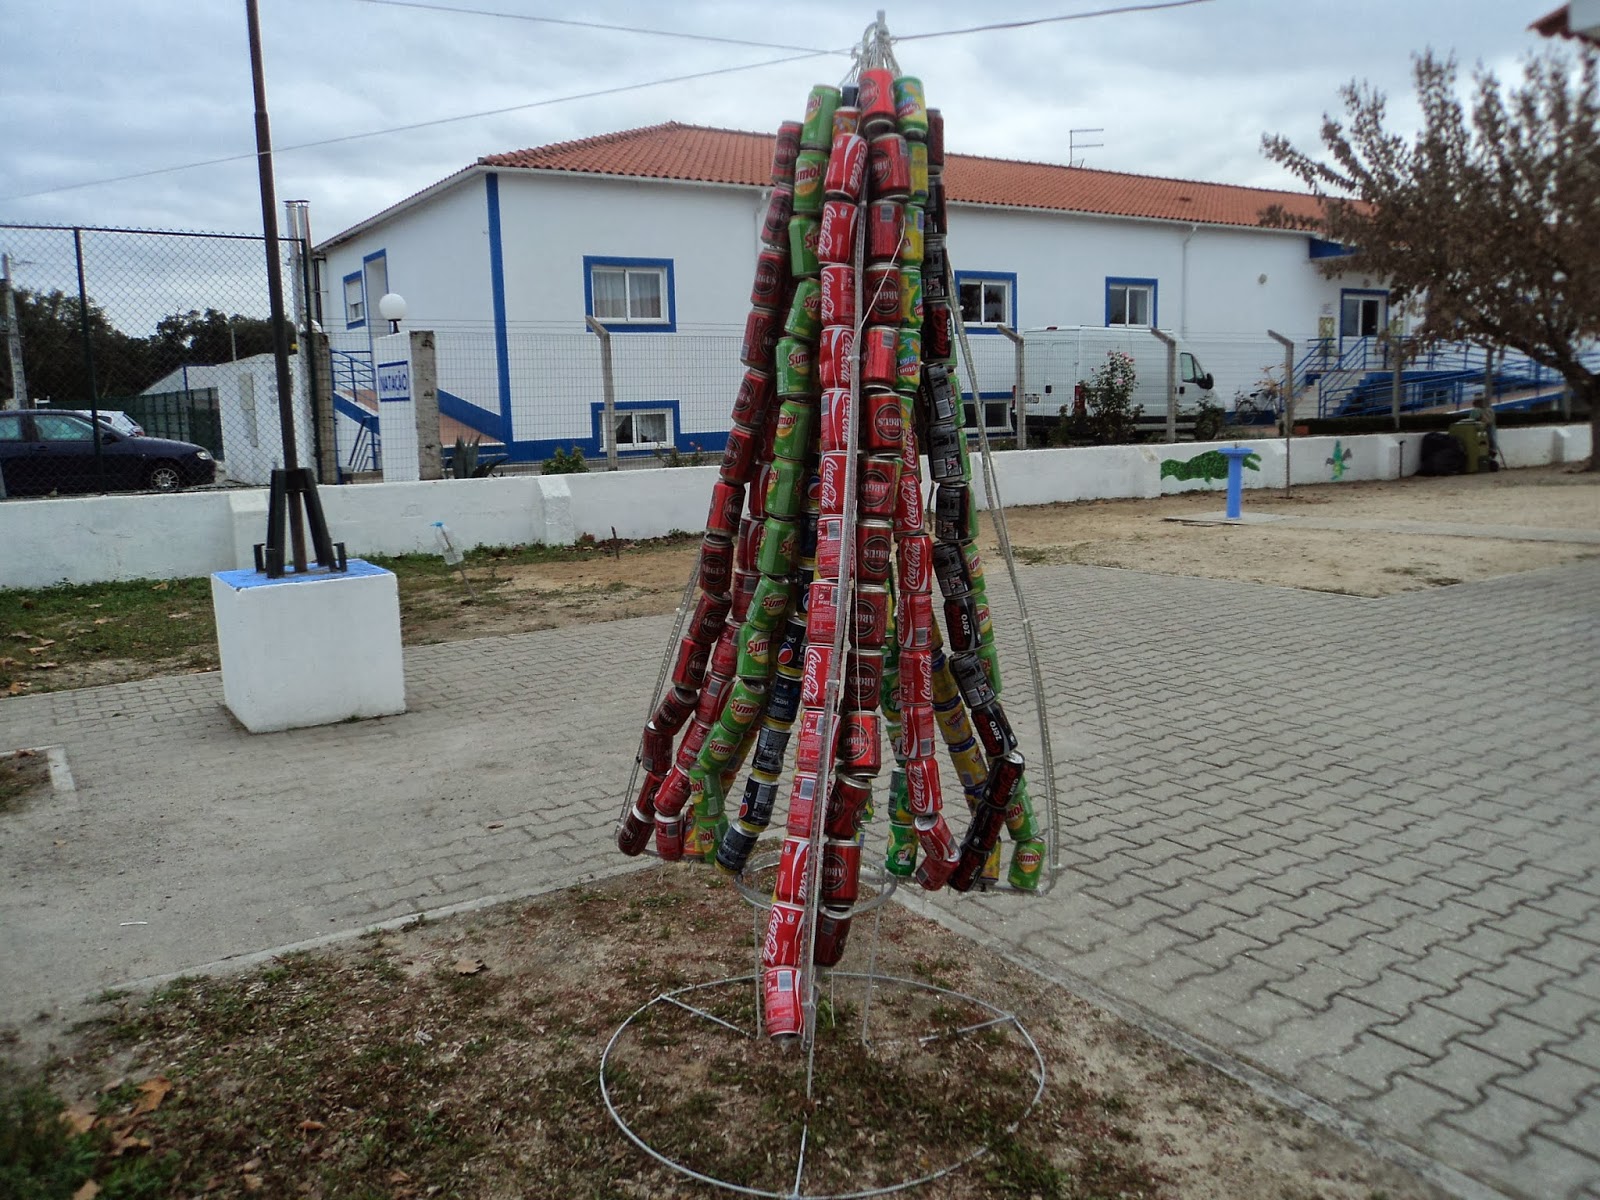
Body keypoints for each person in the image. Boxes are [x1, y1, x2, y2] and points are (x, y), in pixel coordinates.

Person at [1472, 392, 1500, 465]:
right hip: (1478, 432)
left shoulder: (1489, 410)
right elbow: (1472, 420)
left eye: (1480, 401)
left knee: (1489, 432)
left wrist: (1482, 417)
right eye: (1477, 401)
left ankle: (1492, 451)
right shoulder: (1474, 411)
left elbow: (1489, 421)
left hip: (1487, 431)